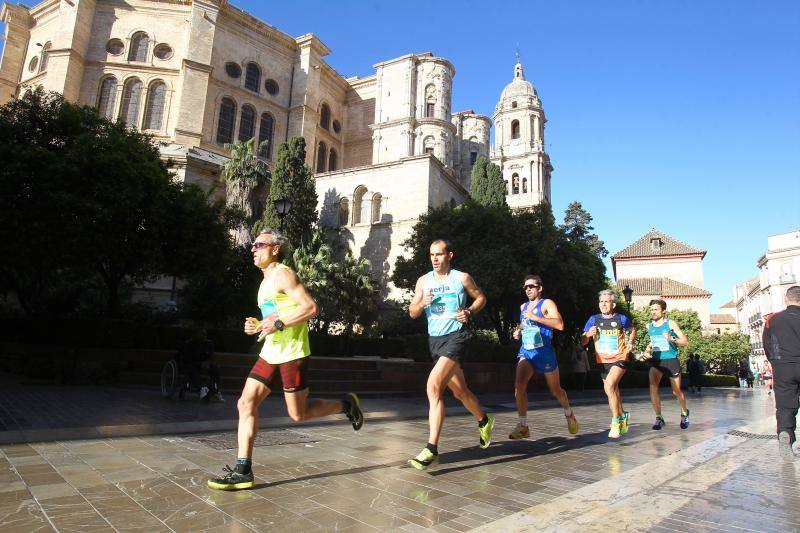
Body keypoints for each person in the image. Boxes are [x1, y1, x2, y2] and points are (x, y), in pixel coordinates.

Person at [208, 229, 364, 490]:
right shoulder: (265, 281)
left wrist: (277, 323)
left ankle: (346, 405)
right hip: (270, 352)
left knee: (298, 414)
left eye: (259, 244)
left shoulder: (284, 274)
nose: (253, 249)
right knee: (245, 403)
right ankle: (243, 469)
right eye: (253, 245)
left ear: (275, 248)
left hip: (292, 353)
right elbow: (276, 315)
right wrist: (258, 325)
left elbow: (311, 308)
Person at [406, 239, 494, 470]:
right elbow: (413, 312)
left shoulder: (461, 278)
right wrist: (422, 303)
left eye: (439, 254)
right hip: (435, 341)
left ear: (449, 255)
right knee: (460, 392)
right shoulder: (423, 281)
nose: (435, 259)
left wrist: (469, 311)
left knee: (433, 386)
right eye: (431, 255)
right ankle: (484, 420)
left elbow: (480, 298)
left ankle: (431, 449)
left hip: (457, 337)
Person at [508, 275, 579, 440]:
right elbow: (526, 325)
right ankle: (523, 425)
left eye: (531, 286)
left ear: (540, 288)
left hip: (544, 352)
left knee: (555, 390)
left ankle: (569, 414)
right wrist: (519, 332)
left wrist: (537, 318)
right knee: (519, 386)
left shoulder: (547, 303)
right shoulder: (523, 306)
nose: (527, 290)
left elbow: (560, 324)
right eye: (525, 287)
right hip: (527, 351)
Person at [582, 289, 636, 438]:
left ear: (613, 304)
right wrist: (587, 335)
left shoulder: (621, 318)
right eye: (601, 301)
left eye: (606, 301)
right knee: (613, 390)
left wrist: (630, 342)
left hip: (620, 358)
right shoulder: (593, 319)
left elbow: (632, 330)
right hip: (602, 360)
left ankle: (615, 422)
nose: (603, 304)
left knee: (610, 385)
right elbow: (583, 341)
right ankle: (623, 413)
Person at [762, 285, 800, 459]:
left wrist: (776, 363)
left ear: (786, 299)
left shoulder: (773, 319)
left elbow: (767, 344)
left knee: (785, 405)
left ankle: (785, 433)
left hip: (783, 367)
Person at [643, 299, 690, 430]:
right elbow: (653, 342)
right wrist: (648, 350)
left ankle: (684, 412)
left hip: (670, 359)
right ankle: (659, 417)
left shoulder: (670, 323)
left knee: (676, 391)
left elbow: (685, 341)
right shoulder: (649, 326)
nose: (653, 312)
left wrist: (671, 339)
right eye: (651, 309)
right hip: (656, 360)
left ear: (663, 311)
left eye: (656, 309)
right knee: (653, 388)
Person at [178, 328, 223, 402]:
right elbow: (187, 359)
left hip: (204, 363)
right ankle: (201, 389)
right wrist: (200, 364)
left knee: (215, 368)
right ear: (195, 335)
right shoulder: (189, 344)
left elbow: (211, 356)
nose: (204, 336)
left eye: (204, 334)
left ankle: (215, 390)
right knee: (192, 370)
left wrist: (207, 363)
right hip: (192, 364)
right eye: (201, 334)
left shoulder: (209, 344)